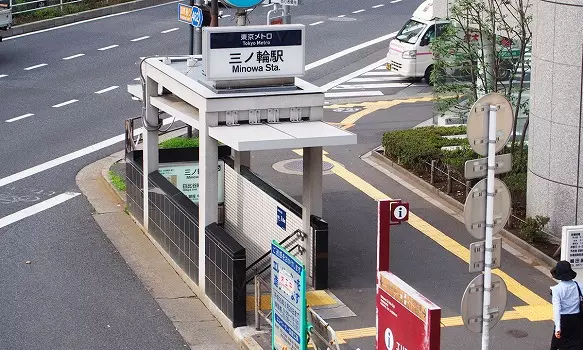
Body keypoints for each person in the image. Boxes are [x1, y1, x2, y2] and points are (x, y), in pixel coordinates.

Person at [550, 260, 582, 350]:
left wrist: (558, 328)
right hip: (577, 319)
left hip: (563, 320)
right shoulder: (579, 285)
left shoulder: (556, 289)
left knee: (558, 345)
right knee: (577, 344)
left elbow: (557, 309)